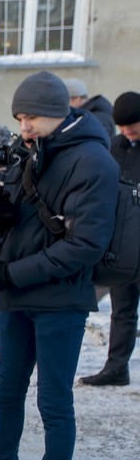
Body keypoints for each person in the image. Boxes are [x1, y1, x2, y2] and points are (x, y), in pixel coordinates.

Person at [0, 71, 118, 460]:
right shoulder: (35, 153)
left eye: (31, 118)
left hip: (60, 300)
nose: (23, 127)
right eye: (20, 118)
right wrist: (3, 208)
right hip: (17, 297)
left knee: (53, 400)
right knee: (8, 390)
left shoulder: (92, 161)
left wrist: (12, 272)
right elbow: (31, 219)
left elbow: (85, 244)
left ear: (57, 113)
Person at [78, 91, 140, 387]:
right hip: (125, 242)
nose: (129, 131)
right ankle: (117, 367)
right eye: (124, 127)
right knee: (122, 307)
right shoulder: (114, 146)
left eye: (134, 126)